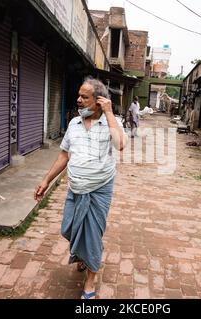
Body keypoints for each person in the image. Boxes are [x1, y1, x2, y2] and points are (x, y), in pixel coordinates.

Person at [34, 77, 126, 299]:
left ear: (100, 100)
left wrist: (110, 113)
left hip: (99, 189)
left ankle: (90, 280)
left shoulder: (111, 122)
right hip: (75, 188)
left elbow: (120, 145)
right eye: (79, 95)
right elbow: (64, 155)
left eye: (85, 97)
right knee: (69, 228)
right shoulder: (74, 124)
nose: (79, 100)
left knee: (92, 234)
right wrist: (46, 180)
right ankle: (84, 256)